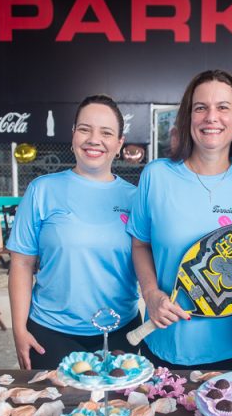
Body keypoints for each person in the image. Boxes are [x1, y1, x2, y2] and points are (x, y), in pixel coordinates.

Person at [127, 69, 232, 369]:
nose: (211, 117)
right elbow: (140, 244)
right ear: (187, 117)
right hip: (162, 349)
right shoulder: (156, 175)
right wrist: (151, 294)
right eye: (200, 107)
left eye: (223, 107)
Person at [7, 94, 140, 369]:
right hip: (50, 334)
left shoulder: (136, 198)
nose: (94, 139)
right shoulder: (42, 190)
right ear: (73, 136)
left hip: (120, 333)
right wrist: (19, 329)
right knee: (55, 411)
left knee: (117, 411)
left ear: (119, 144)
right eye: (85, 129)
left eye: (106, 132)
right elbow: (21, 263)